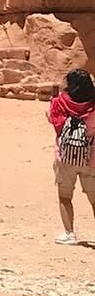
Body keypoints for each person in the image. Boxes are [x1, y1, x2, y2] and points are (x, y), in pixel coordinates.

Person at [49, 68, 95, 243]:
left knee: (65, 196)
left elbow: (56, 125)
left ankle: (69, 233)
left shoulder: (59, 102)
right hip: (91, 158)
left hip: (66, 157)